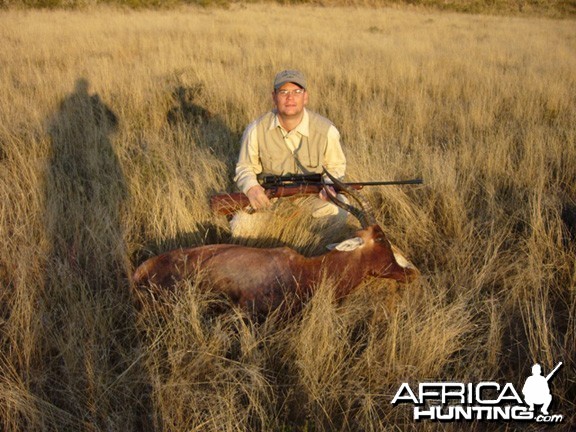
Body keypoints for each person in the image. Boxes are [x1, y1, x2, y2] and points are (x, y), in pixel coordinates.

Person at [234, 69, 348, 221]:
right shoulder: (255, 129)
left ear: (305, 96)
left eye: (296, 91)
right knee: (241, 225)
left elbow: (336, 167)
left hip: (312, 198)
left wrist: (329, 186)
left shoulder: (327, 130)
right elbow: (244, 167)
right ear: (274, 97)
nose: (290, 98)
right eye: (284, 92)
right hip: (269, 201)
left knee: (339, 210)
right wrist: (252, 188)